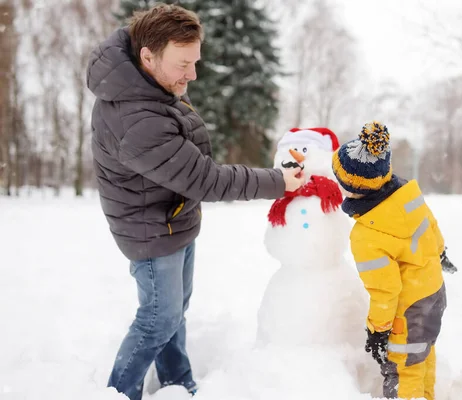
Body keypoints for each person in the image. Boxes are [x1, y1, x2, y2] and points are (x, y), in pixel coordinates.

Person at [85, 4, 304, 400]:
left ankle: (177, 380)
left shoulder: (146, 84)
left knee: (172, 313)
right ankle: (119, 392)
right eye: (183, 64)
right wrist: (279, 182)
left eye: (195, 61)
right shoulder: (137, 119)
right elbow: (205, 178)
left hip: (171, 219)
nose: (193, 74)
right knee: (157, 319)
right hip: (150, 231)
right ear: (147, 55)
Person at [331, 121, 457, 399]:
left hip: (410, 311)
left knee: (403, 369)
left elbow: (385, 291)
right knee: (424, 355)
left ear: (353, 186)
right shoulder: (407, 195)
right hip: (435, 293)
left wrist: (378, 330)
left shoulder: (366, 234)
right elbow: (430, 225)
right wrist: (440, 252)